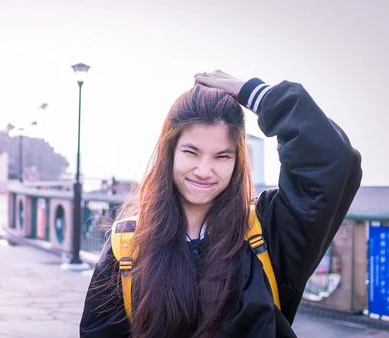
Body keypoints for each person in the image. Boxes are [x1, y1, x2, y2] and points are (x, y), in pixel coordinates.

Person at [79, 70, 362, 338]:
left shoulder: (266, 232)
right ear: (170, 152)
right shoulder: (128, 246)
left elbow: (334, 160)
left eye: (222, 157)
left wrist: (258, 95)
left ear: (238, 161)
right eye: (192, 152)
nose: (204, 170)